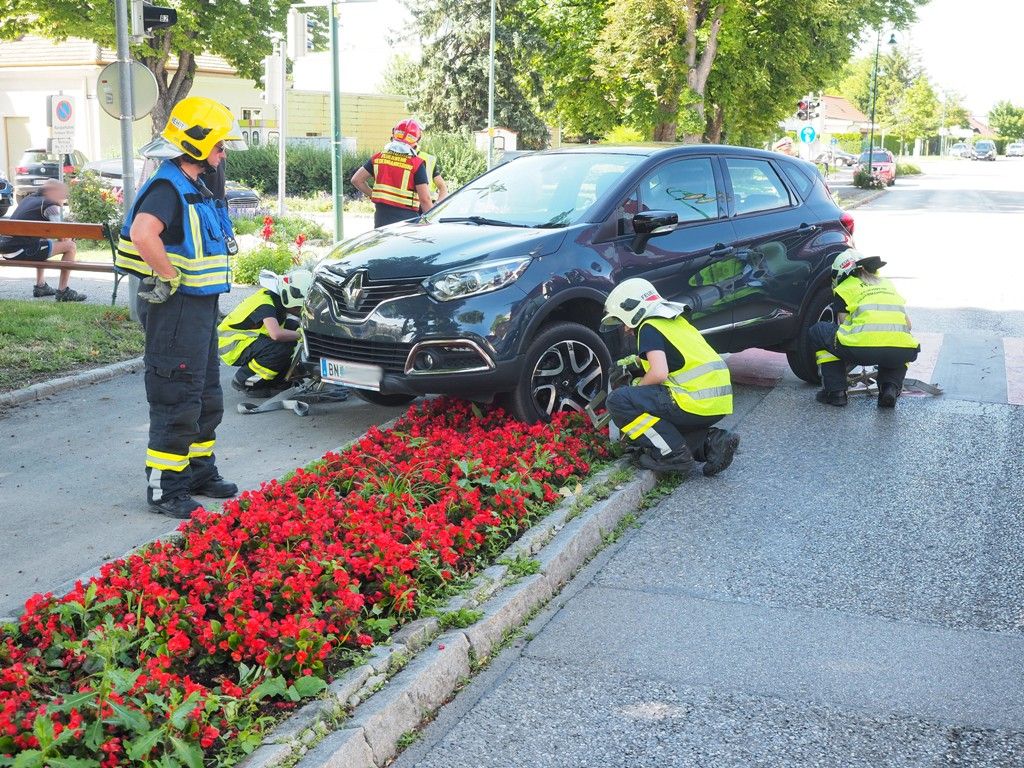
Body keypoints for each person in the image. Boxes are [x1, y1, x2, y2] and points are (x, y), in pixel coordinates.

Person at [115, 96, 246, 519]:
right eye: (219, 146)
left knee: (205, 395)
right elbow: (142, 233)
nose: (223, 153)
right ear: (196, 143)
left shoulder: (197, 184)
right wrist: (168, 275)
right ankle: (165, 489)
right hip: (175, 309)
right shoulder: (167, 186)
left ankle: (198, 473)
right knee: (176, 397)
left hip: (201, 308)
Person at [600, 278, 740, 477]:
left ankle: (673, 456)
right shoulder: (671, 319)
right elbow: (674, 356)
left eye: (623, 321)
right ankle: (713, 443)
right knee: (663, 426)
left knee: (618, 401)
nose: (625, 329)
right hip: (716, 402)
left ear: (633, 309)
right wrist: (633, 362)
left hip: (692, 400)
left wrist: (635, 386)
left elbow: (659, 373)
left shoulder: (648, 326)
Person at [810, 250, 920, 408]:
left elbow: (843, 326)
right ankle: (889, 387)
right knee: (899, 339)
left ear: (841, 272)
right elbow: (908, 325)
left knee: (819, 331)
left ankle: (836, 392)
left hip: (861, 350)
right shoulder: (887, 285)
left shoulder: (845, 288)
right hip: (904, 351)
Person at [218, 267, 346, 400]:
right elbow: (276, 334)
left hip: (247, 338)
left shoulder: (276, 298)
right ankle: (246, 380)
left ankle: (279, 378)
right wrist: (303, 335)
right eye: (299, 305)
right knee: (280, 347)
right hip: (230, 344)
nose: (300, 309)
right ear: (290, 297)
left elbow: (296, 319)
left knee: (292, 329)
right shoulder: (265, 304)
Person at [0, 180, 86, 301]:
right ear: (52, 192)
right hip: (21, 250)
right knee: (70, 246)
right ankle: (63, 291)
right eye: (62, 195)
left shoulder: (29, 199)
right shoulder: (50, 205)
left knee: (42, 240)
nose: (64, 199)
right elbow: (62, 236)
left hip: (7, 249)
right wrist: (70, 237)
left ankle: (41, 286)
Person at [351, 119, 433, 228]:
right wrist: (432, 222)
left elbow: (356, 180)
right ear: (416, 141)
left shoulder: (378, 158)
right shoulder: (416, 163)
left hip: (381, 217)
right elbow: (425, 199)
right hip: (407, 221)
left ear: (394, 135)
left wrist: (373, 195)